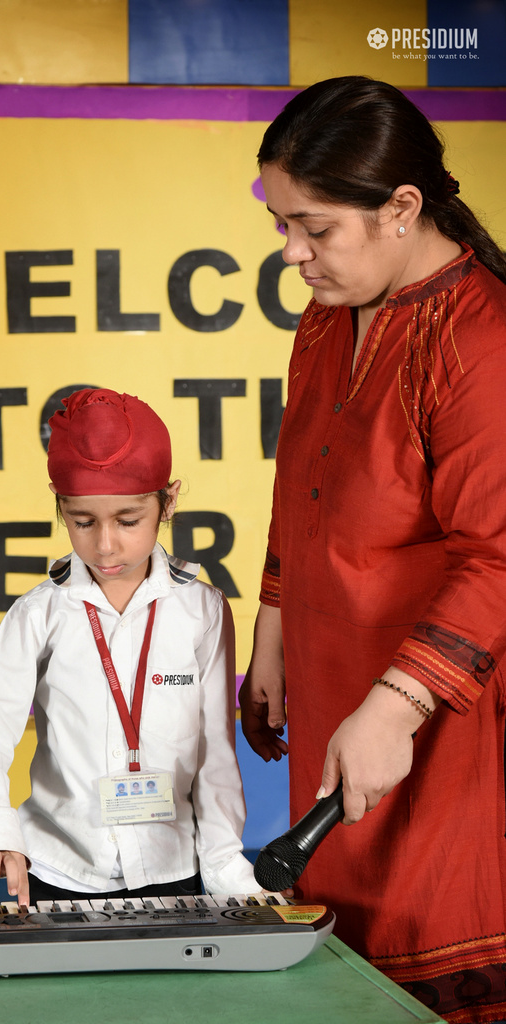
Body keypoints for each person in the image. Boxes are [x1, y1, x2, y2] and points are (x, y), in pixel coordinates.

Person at [239, 76, 506, 1024]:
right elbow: (299, 487)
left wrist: (393, 707)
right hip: (335, 686)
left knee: (426, 951)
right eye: (280, 224)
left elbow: (497, 560)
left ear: (400, 208)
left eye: (312, 227)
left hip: (435, 712)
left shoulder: (479, 336)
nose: (292, 253)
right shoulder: (322, 318)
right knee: (343, 962)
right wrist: (271, 629)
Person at [0, 387, 258, 909]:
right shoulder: (38, 613)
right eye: (83, 521)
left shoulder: (202, 610)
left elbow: (214, 753)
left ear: (169, 501)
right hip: (56, 869)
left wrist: (226, 863)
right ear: (60, 506)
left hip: (174, 870)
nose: (106, 544)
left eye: (128, 520)